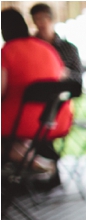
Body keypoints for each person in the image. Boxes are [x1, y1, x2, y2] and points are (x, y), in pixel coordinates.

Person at [2, 7, 72, 176]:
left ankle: (27, 163)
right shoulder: (47, 49)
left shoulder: (7, 51)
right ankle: (31, 162)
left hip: (17, 122)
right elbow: (64, 78)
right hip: (53, 121)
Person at [29, 3, 82, 87]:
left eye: (43, 18)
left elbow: (79, 78)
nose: (40, 23)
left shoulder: (69, 48)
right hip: (36, 92)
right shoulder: (30, 47)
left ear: (51, 19)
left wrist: (66, 73)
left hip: (61, 93)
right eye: (36, 19)